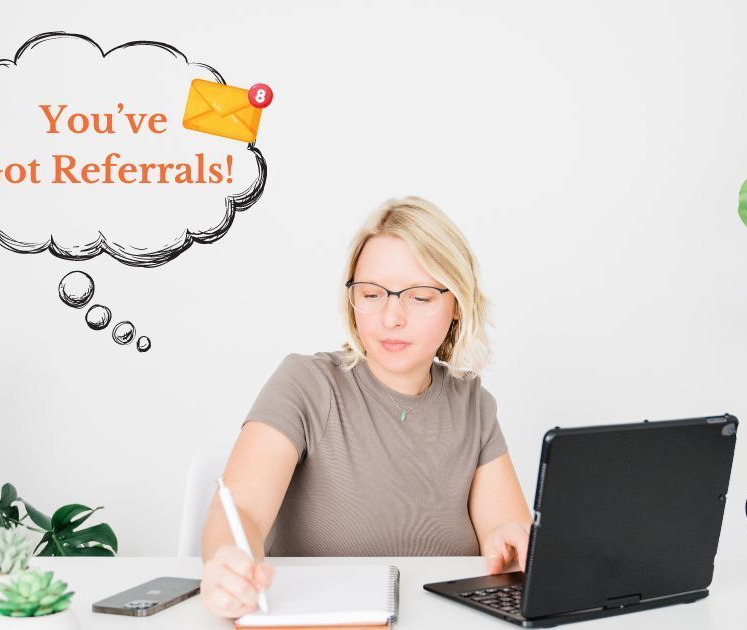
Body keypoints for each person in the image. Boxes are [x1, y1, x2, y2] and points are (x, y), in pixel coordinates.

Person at [200, 196, 531, 618]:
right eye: (372, 294)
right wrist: (228, 560)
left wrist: (510, 543)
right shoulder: (306, 383)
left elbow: (507, 538)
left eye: (420, 297)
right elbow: (239, 508)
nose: (390, 317)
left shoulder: (474, 406)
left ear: (456, 307)